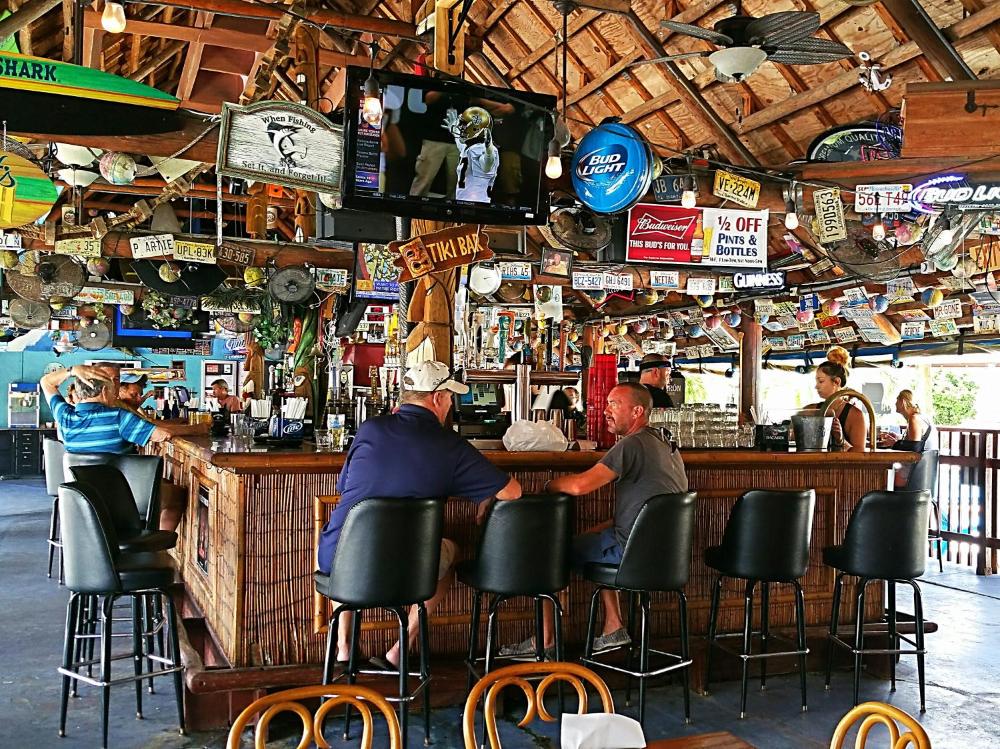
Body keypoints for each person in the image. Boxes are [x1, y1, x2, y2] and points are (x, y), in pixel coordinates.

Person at [317, 361, 522, 670]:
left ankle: (344, 646)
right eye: (450, 397)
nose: (451, 405)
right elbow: (513, 492)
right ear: (437, 398)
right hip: (410, 571)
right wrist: (486, 494)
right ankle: (402, 646)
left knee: (334, 535)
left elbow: (344, 486)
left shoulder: (370, 429)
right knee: (450, 552)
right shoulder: (450, 446)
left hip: (343, 566)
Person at [499, 382, 687, 658]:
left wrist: (549, 485)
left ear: (637, 411)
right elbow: (642, 514)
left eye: (614, 404)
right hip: (668, 555)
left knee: (548, 552)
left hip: (631, 553)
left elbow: (580, 486)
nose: (606, 411)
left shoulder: (632, 444)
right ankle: (613, 627)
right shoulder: (665, 443)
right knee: (594, 543)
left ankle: (546, 641)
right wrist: (590, 534)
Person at [40, 364, 170, 454]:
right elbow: (164, 434)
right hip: (122, 482)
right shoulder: (118, 416)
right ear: (104, 391)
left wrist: (72, 370)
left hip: (79, 484)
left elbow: (46, 382)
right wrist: (184, 428)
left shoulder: (64, 416)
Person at [813, 346, 867, 453]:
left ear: (837, 382)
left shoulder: (855, 415)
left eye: (821, 381)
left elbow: (860, 455)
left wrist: (841, 440)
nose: (816, 386)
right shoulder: (812, 409)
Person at [880, 389, 936, 487]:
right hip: (922, 472)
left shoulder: (914, 418)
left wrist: (894, 443)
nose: (895, 403)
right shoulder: (920, 417)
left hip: (914, 474)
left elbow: (913, 447)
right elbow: (915, 441)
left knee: (881, 472)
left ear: (903, 402)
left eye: (897, 399)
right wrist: (898, 438)